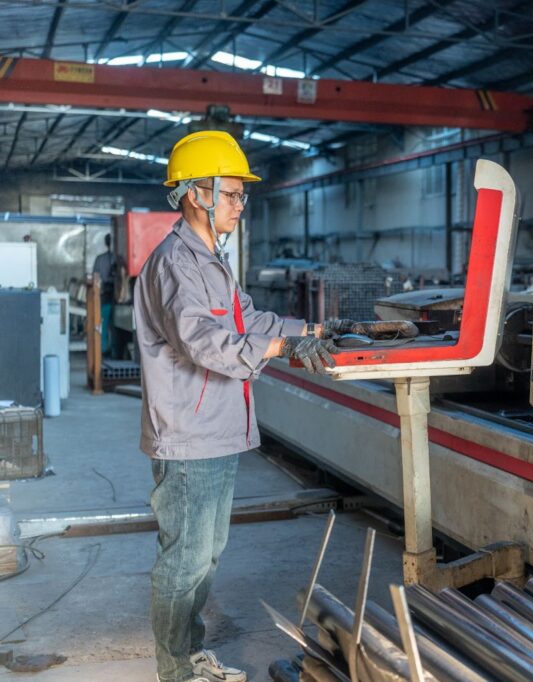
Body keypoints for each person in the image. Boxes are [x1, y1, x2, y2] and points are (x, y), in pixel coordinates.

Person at [134, 130, 348, 682]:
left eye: (240, 195)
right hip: (188, 435)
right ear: (194, 194)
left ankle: (189, 656)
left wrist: (314, 330)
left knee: (205, 555)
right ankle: (176, 670)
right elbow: (202, 342)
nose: (239, 204)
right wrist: (281, 348)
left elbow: (247, 320)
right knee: (185, 560)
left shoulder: (210, 260)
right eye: (230, 193)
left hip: (217, 430)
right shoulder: (176, 264)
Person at [91, 233, 120, 355]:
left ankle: (103, 350)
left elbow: (95, 277)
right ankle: (113, 351)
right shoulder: (119, 259)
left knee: (103, 325)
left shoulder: (100, 259)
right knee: (114, 326)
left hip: (104, 296)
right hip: (116, 297)